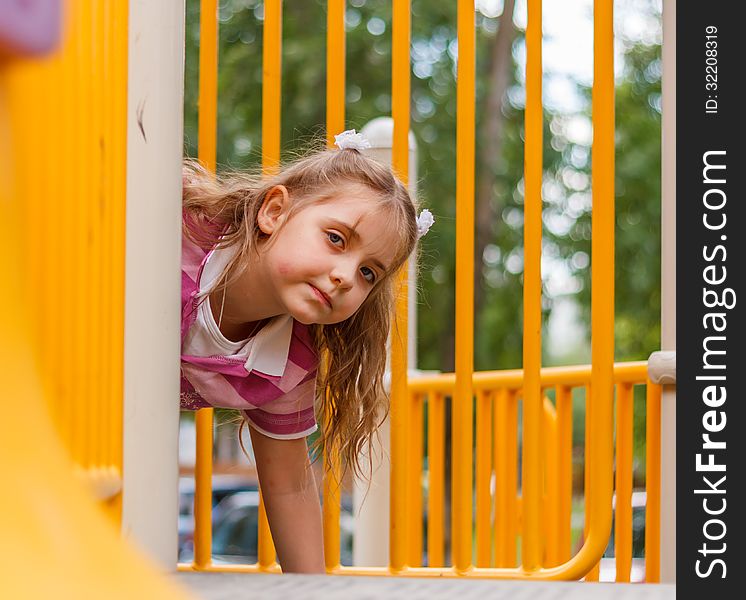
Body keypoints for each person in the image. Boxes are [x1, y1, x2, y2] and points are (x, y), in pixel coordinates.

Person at [180, 130, 434, 573]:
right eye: (336, 239)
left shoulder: (289, 364)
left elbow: (290, 487)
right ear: (274, 212)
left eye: (369, 272)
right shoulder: (180, 240)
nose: (345, 276)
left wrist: (314, 592)